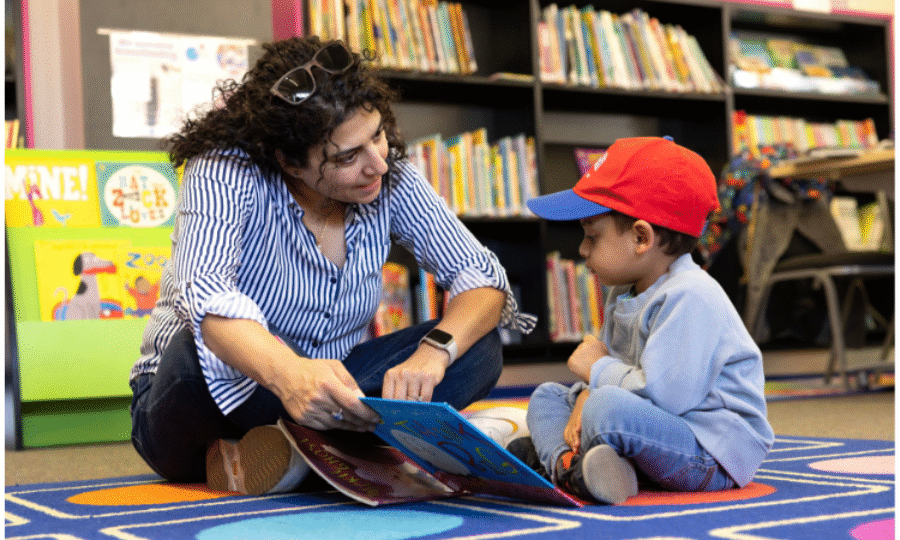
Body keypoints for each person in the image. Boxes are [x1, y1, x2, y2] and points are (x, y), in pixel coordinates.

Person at [129, 36, 535, 496]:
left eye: (378, 135)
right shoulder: (224, 169)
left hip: (331, 390)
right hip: (208, 397)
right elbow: (203, 291)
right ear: (289, 161)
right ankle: (345, 449)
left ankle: (287, 454)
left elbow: (478, 277)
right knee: (197, 345)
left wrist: (435, 352)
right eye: (347, 156)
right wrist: (289, 374)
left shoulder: (390, 174)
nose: (378, 164)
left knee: (476, 347)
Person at [512, 136, 774, 504]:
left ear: (640, 237)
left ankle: (557, 461)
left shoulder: (691, 294)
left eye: (591, 236)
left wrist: (596, 373)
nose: (583, 250)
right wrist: (589, 388)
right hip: (657, 425)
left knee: (605, 409)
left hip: (709, 450)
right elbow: (616, 372)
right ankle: (572, 466)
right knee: (549, 396)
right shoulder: (625, 290)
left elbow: (666, 398)